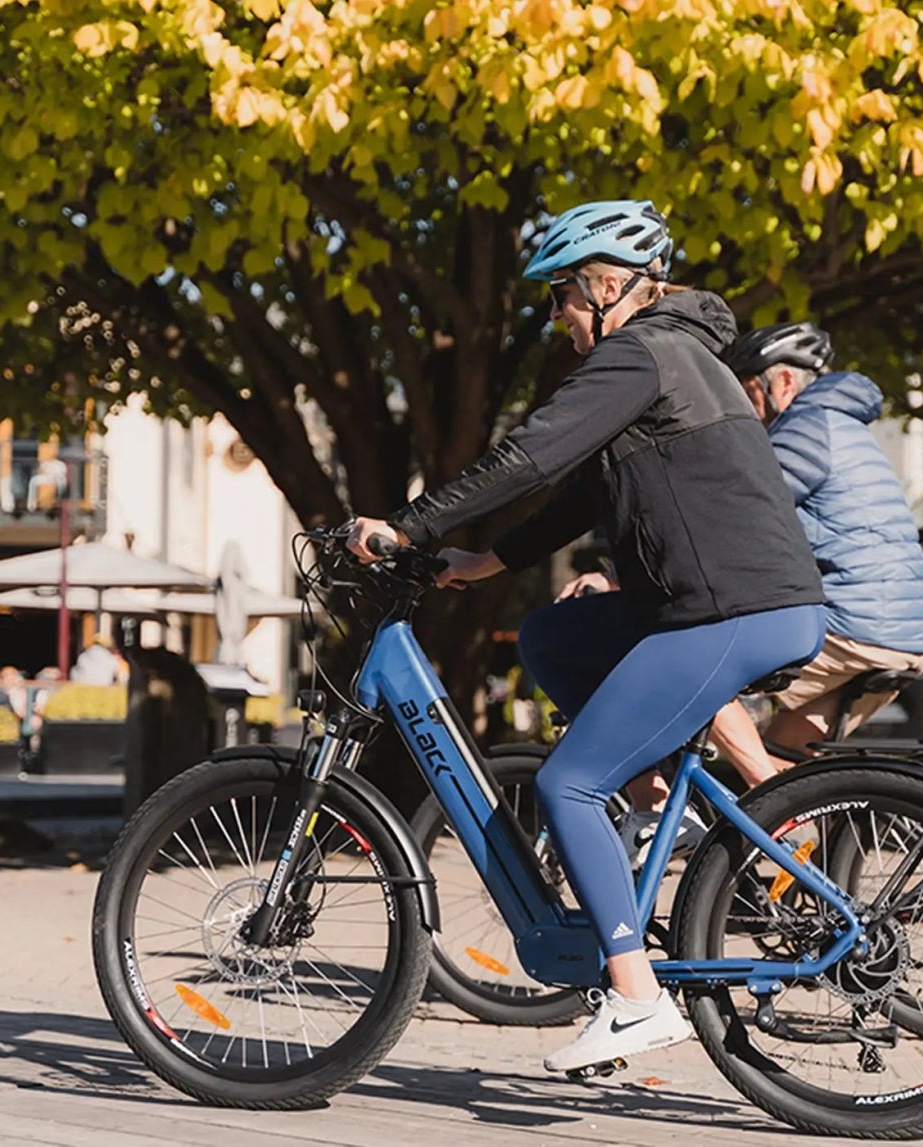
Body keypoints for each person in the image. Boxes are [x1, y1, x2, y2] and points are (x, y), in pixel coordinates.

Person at [344, 200, 826, 1075]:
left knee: (566, 782)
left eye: (563, 295)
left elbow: (528, 456)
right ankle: (651, 809)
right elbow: (582, 496)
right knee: (555, 639)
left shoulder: (639, 352)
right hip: (706, 603)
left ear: (608, 286)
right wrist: (488, 558)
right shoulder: (677, 354)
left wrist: (408, 527)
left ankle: (638, 999)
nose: (558, 314)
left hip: (729, 610)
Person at [602, 321, 923, 858]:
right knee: (783, 768)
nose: (738, 407)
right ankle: (810, 897)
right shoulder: (841, 427)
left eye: (745, 389)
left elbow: (735, 520)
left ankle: (670, 817)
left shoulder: (803, 429)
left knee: (694, 675)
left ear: (781, 383)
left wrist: (617, 578)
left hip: (851, 626)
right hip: (892, 632)